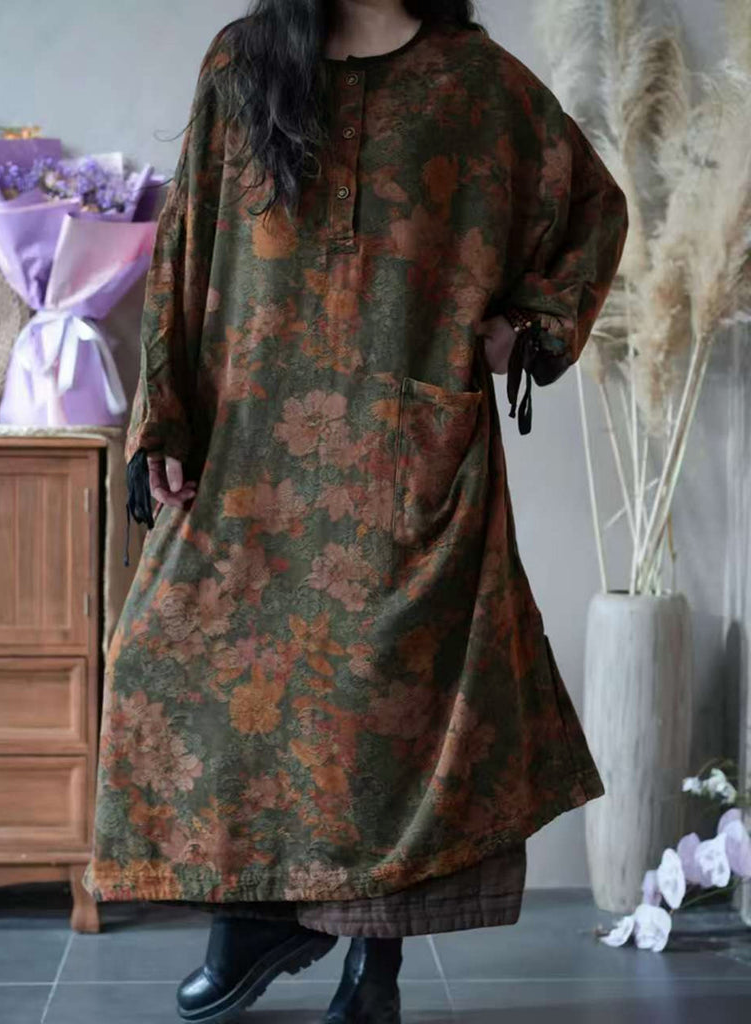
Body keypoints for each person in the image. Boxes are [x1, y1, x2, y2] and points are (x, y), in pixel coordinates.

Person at [83, 1, 629, 1021]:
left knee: (388, 716)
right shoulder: (245, 64)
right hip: (250, 450)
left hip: (408, 454)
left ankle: (373, 971)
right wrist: (164, 421)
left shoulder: (476, 83)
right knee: (164, 658)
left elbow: (593, 207)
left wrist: (528, 328)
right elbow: (186, 248)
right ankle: (257, 916)